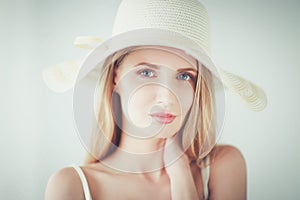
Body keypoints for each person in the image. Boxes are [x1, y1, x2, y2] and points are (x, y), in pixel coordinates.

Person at [44, 0, 267, 199]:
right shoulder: (72, 186)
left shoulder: (223, 166)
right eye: (147, 73)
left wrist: (181, 177)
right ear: (115, 78)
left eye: (184, 76)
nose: (167, 95)